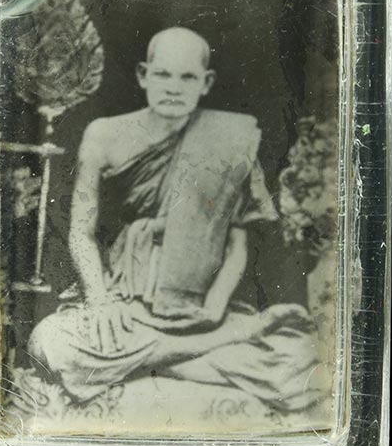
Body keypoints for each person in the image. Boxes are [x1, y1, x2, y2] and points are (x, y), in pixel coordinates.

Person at [28, 27, 324, 411]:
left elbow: (237, 243)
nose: (173, 87)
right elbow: (80, 233)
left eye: (187, 77)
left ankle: (158, 358)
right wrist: (100, 303)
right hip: (123, 301)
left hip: (198, 307)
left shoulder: (231, 137)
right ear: (143, 75)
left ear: (206, 83)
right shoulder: (103, 136)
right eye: (163, 74)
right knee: (47, 341)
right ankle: (225, 342)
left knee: (301, 355)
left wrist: (215, 306)